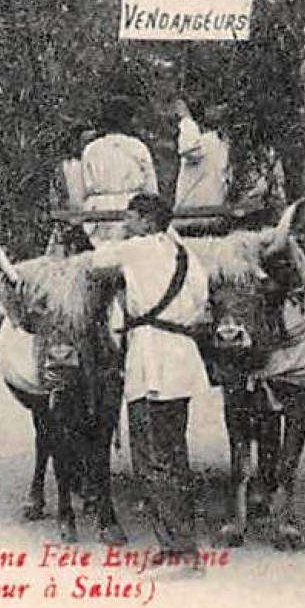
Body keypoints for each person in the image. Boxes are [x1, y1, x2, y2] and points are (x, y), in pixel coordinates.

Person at [87, 192, 209, 571]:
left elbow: (95, 263)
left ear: (144, 221)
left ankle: (180, 552)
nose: (126, 223)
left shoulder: (135, 248)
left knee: (151, 460)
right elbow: (200, 301)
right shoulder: (188, 256)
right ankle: (179, 543)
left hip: (151, 361)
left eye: (131, 217)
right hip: (183, 360)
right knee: (175, 455)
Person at [79, 101, 159, 242]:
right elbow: (150, 187)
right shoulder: (138, 147)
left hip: (100, 211)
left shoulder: (91, 149)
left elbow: (86, 186)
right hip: (131, 210)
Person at [172, 99, 230, 217]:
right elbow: (189, 150)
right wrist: (187, 120)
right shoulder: (197, 137)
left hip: (213, 207)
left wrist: (186, 119)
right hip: (193, 208)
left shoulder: (221, 140)